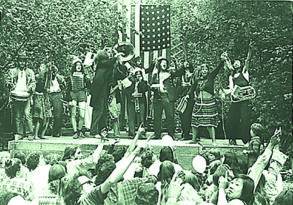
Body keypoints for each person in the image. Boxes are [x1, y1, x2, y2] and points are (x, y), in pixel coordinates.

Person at [190, 53, 226, 145]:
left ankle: (213, 141)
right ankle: (194, 139)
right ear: (200, 71)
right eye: (203, 69)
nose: (204, 71)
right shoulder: (197, 80)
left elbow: (217, 69)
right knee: (195, 120)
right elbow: (192, 89)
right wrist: (187, 95)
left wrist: (222, 61)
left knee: (209, 123)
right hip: (199, 103)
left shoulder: (211, 77)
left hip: (209, 103)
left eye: (206, 69)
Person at [89, 47, 126, 138]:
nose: (110, 54)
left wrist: (120, 62)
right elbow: (109, 62)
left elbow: (121, 74)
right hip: (98, 91)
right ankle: (93, 131)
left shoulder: (109, 65)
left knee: (103, 111)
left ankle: (102, 130)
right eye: (108, 52)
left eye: (110, 52)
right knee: (98, 110)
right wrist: (116, 57)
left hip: (105, 90)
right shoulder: (102, 63)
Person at [226, 42, 254, 145]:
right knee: (232, 118)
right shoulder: (231, 77)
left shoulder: (245, 73)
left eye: (238, 62)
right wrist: (225, 93)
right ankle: (232, 138)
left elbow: (248, 61)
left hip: (245, 100)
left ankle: (246, 139)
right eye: (235, 63)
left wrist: (250, 51)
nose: (236, 64)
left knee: (245, 119)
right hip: (236, 99)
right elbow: (231, 89)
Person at [6, 51, 36, 140]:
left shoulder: (30, 72)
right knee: (18, 115)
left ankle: (29, 133)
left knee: (27, 114)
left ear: (26, 62)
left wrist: (30, 88)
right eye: (20, 61)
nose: (22, 63)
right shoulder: (12, 71)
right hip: (16, 95)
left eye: (24, 61)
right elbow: (8, 81)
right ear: (18, 62)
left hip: (26, 95)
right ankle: (19, 133)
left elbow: (33, 82)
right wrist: (10, 85)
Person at [150, 58, 176, 139]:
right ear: (159, 64)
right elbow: (151, 85)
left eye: (165, 63)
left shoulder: (170, 74)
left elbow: (178, 73)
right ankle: (157, 134)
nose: (164, 64)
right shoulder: (155, 74)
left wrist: (175, 63)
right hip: (158, 96)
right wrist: (156, 87)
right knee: (157, 116)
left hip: (167, 97)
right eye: (162, 63)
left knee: (170, 116)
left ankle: (171, 134)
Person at [67, 58, 90, 139]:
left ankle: (79, 131)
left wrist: (88, 79)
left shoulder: (84, 76)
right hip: (73, 94)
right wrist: (69, 99)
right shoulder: (70, 76)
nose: (78, 66)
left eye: (80, 65)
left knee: (82, 114)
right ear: (74, 66)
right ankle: (75, 132)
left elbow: (89, 86)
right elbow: (68, 88)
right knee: (73, 114)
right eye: (77, 65)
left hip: (82, 94)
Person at [125, 69, 148, 137]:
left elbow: (145, 89)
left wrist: (141, 82)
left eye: (139, 74)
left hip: (141, 101)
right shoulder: (130, 82)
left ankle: (141, 133)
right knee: (131, 117)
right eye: (137, 74)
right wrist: (131, 95)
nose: (138, 76)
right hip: (132, 101)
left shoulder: (144, 82)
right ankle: (131, 133)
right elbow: (126, 91)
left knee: (141, 117)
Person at [45, 62, 66, 137]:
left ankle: (56, 131)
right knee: (46, 113)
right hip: (48, 94)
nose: (52, 73)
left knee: (58, 114)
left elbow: (64, 86)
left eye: (54, 72)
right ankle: (45, 130)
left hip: (57, 94)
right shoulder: (46, 78)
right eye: (51, 72)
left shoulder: (59, 78)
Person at [32, 63, 52, 140]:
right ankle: (36, 135)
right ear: (39, 68)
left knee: (48, 116)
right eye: (42, 66)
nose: (43, 68)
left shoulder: (47, 77)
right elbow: (37, 88)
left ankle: (42, 134)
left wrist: (50, 68)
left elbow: (52, 73)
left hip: (45, 98)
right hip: (39, 97)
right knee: (39, 117)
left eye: (45, 67)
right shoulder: (37, 77)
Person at [176, 61, 195, 140]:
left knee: (188, 115)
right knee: (182, 115)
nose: (186, 64)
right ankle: (184, 133)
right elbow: (178, 87)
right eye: (185, 63)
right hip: (182, 96)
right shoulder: (181, 76)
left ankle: (188, 133)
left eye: (188, 63)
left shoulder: (193, 74)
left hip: (191, 97)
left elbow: (195, 85)